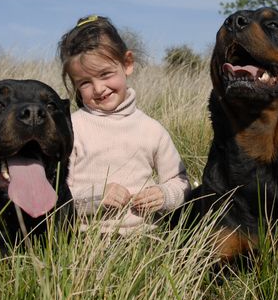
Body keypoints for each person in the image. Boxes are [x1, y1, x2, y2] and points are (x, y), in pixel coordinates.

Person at [57, 14, 191, 235]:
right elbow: (58, 195)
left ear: (127, 64)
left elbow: (181, 181)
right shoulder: (72, 128)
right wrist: (96, 197)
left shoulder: (151, 130)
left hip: (145, 242)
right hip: (85, 242)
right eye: (85, 82)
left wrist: (163, 195)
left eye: (105, 74)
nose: (99, 89)